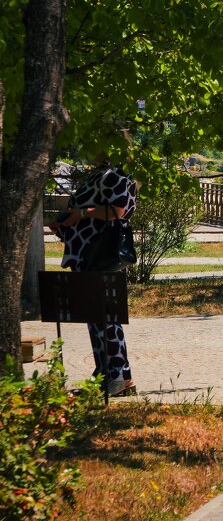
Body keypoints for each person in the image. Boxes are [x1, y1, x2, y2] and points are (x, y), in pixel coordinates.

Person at [49, 160, 138, 396]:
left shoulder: (115, 175)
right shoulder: (102, 174)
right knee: (97, 317)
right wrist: (67, 224)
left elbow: (118, 211)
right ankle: (109, 374)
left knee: (106, 317)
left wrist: (80, 214)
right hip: (88, 255)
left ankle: (117, 376)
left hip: (99, 255)